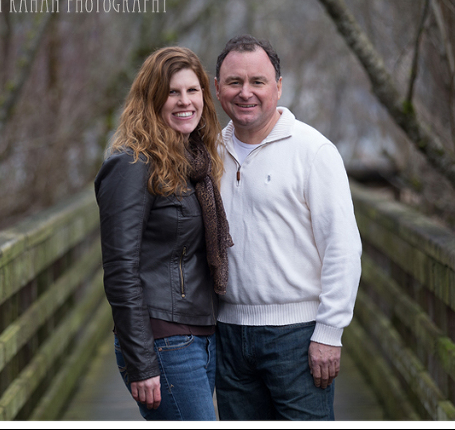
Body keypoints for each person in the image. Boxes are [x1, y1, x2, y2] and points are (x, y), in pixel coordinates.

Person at [212, 34, 362, 421]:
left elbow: (343, 248)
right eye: (234, 82)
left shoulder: (313, 151)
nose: (246, 93)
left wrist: (329, 332)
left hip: (297, 336)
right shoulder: (208, 154)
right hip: (227, 333)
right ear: (217, 88)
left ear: (278, 86)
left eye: (258, 82)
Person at [94, 46, 233, 421]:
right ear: (152, 99)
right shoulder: (132, 164)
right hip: (164, 339)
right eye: (173, 92)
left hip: (202, 333)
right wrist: (141, 362)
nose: (185, 101)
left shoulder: (197, 162)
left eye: (193, 90)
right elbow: (121, 270)